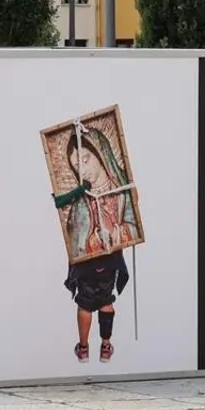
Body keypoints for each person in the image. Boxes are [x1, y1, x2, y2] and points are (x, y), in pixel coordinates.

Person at [51, 124, 138, 363]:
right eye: (77, 166)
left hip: (110, 255)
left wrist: (117, 232)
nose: (84, 169)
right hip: (89, 258)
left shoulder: (121, 190)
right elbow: (75, 232)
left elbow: (132, 223)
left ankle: (100, 344)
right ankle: (87, 345)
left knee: (104, 298)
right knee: (90, 300)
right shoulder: (82, 199)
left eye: (86, 159)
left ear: (100, 154)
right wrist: (91, 239)